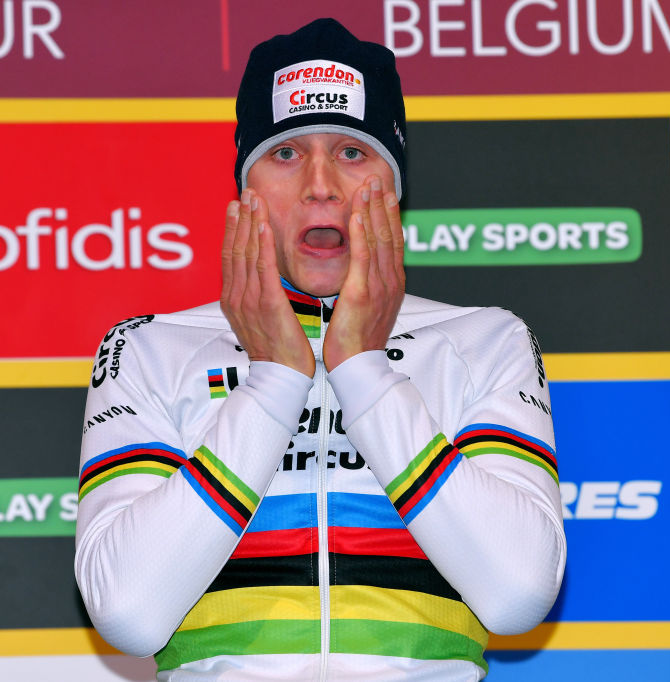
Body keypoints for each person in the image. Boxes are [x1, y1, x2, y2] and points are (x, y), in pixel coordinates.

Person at [75, 17, 565, 681]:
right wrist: (272, 382)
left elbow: (517, 596)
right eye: (285, 154)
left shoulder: (484, 341)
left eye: (352, 152)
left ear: (394, 187)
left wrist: (363, 369)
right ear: (245, 188)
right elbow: (129, 614)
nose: (320, 185)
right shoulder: (150, 349)